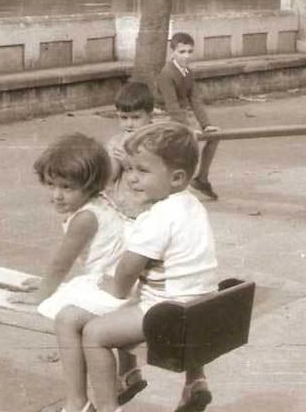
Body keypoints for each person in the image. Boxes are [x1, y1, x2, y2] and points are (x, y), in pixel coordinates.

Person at [82, 121, 219, 412]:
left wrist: (114, 292)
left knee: (94, 332)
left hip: (168, 313)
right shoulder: (191, 204)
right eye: (129, 168)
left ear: (177, 178)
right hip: (202, 305)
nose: (131, 178)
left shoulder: (157, 217)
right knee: (132, 303)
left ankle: (107, 407)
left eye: (142, 171)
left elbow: (128, 269)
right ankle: (195, 381)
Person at [8, 133, 144, 412]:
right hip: (114, 280)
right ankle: (80, 401)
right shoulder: (98, 199)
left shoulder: (85, 218)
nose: (56, 195)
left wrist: (42, 294)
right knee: (68, 308)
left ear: (89, 186)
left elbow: (62, 262)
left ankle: (76, 402)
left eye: (66, 187)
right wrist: (50, 284)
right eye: (51, 185)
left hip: (116, 288)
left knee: (65, 320)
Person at [155, 32, 220, 200]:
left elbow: (195, 100)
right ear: (173, 52)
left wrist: (206, 125)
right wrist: (188, 128)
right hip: (162, 117)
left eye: (190, 52)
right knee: (186, 145)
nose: (186, 56)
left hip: (178, 117)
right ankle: (169, 186)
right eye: (182, 52)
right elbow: (172, 106)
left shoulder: (188, 73)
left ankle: (202, 178)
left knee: (214, 136)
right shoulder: (166, 74)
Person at [105, 82, 153, 219]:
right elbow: (109, 178)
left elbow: (157, 172)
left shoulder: (155, 141)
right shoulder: (116, 141)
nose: (129, 124)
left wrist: (129, 161)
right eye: (124, 118)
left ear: (150, 115)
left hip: (150, 207)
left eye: (136, 117)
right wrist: (116, 158)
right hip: (122, 207)